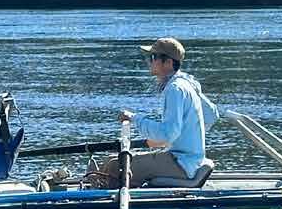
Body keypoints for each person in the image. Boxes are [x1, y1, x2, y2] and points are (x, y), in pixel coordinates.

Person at [88, 36, 218, 188]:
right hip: (187, 160)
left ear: (168, 62)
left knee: (115, 166)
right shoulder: (187, 83)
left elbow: (168, 133)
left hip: (182, 163)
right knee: (110, 160)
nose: (149, 62)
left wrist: (134, 118)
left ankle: (101, 197)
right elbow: (211, 115)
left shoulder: (175, 89)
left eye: (153, 57)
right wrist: (185, 136)